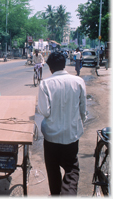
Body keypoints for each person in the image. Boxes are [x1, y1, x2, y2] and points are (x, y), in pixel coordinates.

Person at [37, 52, 87, 196]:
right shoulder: (78, 81)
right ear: (64, 65)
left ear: (50, 67)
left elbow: (45, 112)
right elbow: (83, 110)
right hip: (71, 136)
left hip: (51, 137)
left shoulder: (45, 84)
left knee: (53, 170)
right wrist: (77, 127)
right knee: (71, 170)